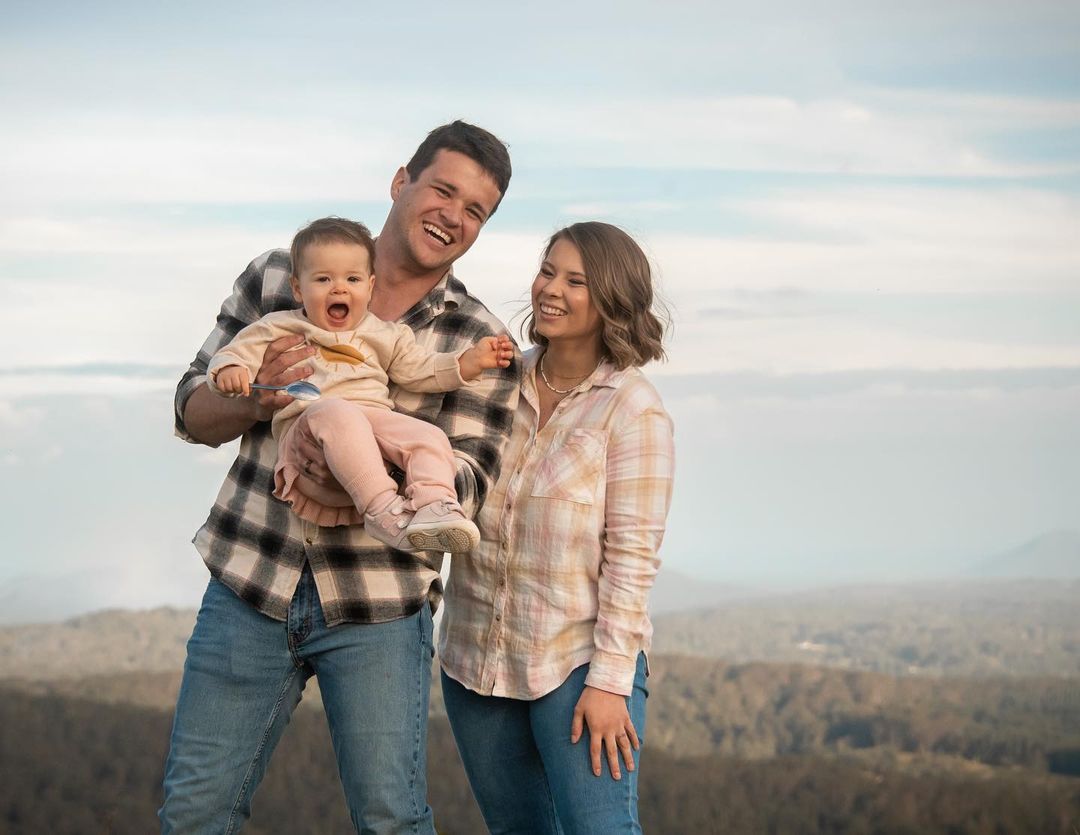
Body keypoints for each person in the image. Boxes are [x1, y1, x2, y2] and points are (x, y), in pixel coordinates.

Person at [160, 121, 518, 834]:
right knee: (195, 810)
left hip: (381, 604)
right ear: (400, 182)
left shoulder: (471, 333)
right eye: (443, 189)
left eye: (475, 209)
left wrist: (350, 481)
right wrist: (253, 396)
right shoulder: (277, 277)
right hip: (249, 582)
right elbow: (192, 410)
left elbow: (469, 482)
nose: (454, 214)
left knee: (392, 819)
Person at [438, 222, 675, 834]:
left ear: (612, 301)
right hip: (474, 662)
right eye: (548, 271)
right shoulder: (497, 382)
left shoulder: (632, 408)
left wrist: (611, 683)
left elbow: (632, 557)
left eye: (576, 281)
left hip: (573, 668)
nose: (551, 289)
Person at [207, 216, 514, 553]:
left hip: (370, 423)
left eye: (352, 279)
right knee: (337, 412)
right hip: (307, 428)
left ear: (369, 286)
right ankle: (382, 510)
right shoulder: (279, 327)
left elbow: (421, 369)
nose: (339, 288)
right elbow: (235, 352)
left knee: (428, 436)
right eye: (323, 279)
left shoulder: (384, 334)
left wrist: (466, 363)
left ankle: (434, 504)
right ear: (298, 288)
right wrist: (230, 371)